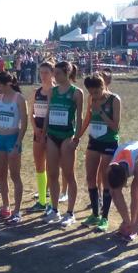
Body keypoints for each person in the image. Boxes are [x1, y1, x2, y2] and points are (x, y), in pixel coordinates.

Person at [78, 73, 120, 232]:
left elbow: (116, 126)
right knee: (90, 177)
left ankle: (105, 217)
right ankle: (95, 214)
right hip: (94, 140)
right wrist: (77, 137)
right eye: (91, 92)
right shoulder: (91, 99)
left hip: (109, 141)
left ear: (103, 86)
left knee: (105, 178)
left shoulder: (114, 100)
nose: (94, 95)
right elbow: (88, 118)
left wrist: (101, 111)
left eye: (97, 91)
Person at [44, 61, 84, 227]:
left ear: (67, 73)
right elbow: (48, 112)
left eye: (58, 73)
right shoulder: (52, 91)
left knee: (68, 174)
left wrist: (76, 138)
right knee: (52, 174)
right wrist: (44, 133)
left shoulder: (76, 93)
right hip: (52, 136)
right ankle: (54, 209)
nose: (55, 76)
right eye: (54, 73)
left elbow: (80, 117)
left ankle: (70, 213)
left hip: (67, 137)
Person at [0, 72, 28, 224]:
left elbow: (24, 124)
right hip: (0, 139)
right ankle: (6, 206)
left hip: (13, 139)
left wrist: (17, 144)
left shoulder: (19, 98)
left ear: (7, 84)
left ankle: (17, 210)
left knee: (15, 176)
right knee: (1, 176)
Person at [108, 141, 138, 241]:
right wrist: (126, 221)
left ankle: (133, 225)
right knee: (114, 191)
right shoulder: (112, 166)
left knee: (135, 189)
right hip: (127, 152)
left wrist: (136, 225)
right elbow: (113, 192)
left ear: (125, 181)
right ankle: (127, 222)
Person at [27, 61, 55, 213]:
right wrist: (35, 128)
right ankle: (42, 201)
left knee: (52, 168)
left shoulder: (55, 91)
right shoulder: (36, 92)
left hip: (51, 134)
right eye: (41, 72)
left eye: (46, 72)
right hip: (37, 133)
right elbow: (31, 112)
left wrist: (44, 131)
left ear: (52, 73)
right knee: (39, 166)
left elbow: (51, 113)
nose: (43, 76)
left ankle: (51, 202)